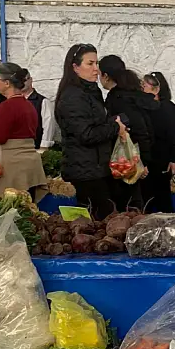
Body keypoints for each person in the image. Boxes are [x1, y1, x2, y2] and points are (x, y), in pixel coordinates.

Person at [55, 43, 128, 220]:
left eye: (96, 63)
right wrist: (115, 126)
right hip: (85, 173)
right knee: (94, 225)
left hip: (97, 169)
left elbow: (95, 123)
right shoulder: (73, 96)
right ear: (75, 67)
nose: (96, 69)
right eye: (90, 64)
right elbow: (86, 134)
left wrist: (114, 121)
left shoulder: (90, 92)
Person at [0, 63, 48, 200]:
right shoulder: (28, 105)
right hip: (30, 162)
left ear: (6, 83)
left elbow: (0, 137)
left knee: (6, 205)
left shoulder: (7, 106)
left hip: (12, 164)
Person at [99, 55, 157, 210]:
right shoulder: (132, 94)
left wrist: (142, 161)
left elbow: (139, 130)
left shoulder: (119, 98)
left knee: (129, 206)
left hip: (127, 161)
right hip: (132, 159)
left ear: (105, 76)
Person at [141, 71, 175, 213]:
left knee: (163, 200)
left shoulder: (168, 108)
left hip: (162, 162)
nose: (141, 88)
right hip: (148, 162)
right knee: (147, 201)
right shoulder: (144, 108)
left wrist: (174, 158)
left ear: (156, 89)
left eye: (144, 85)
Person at [20, 69, 60, 149]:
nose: (21, 83)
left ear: (30, 80)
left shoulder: (43, 101)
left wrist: (43, 147)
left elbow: (48, 125)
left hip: (36, 148)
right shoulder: (12, 101)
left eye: (24, 80)